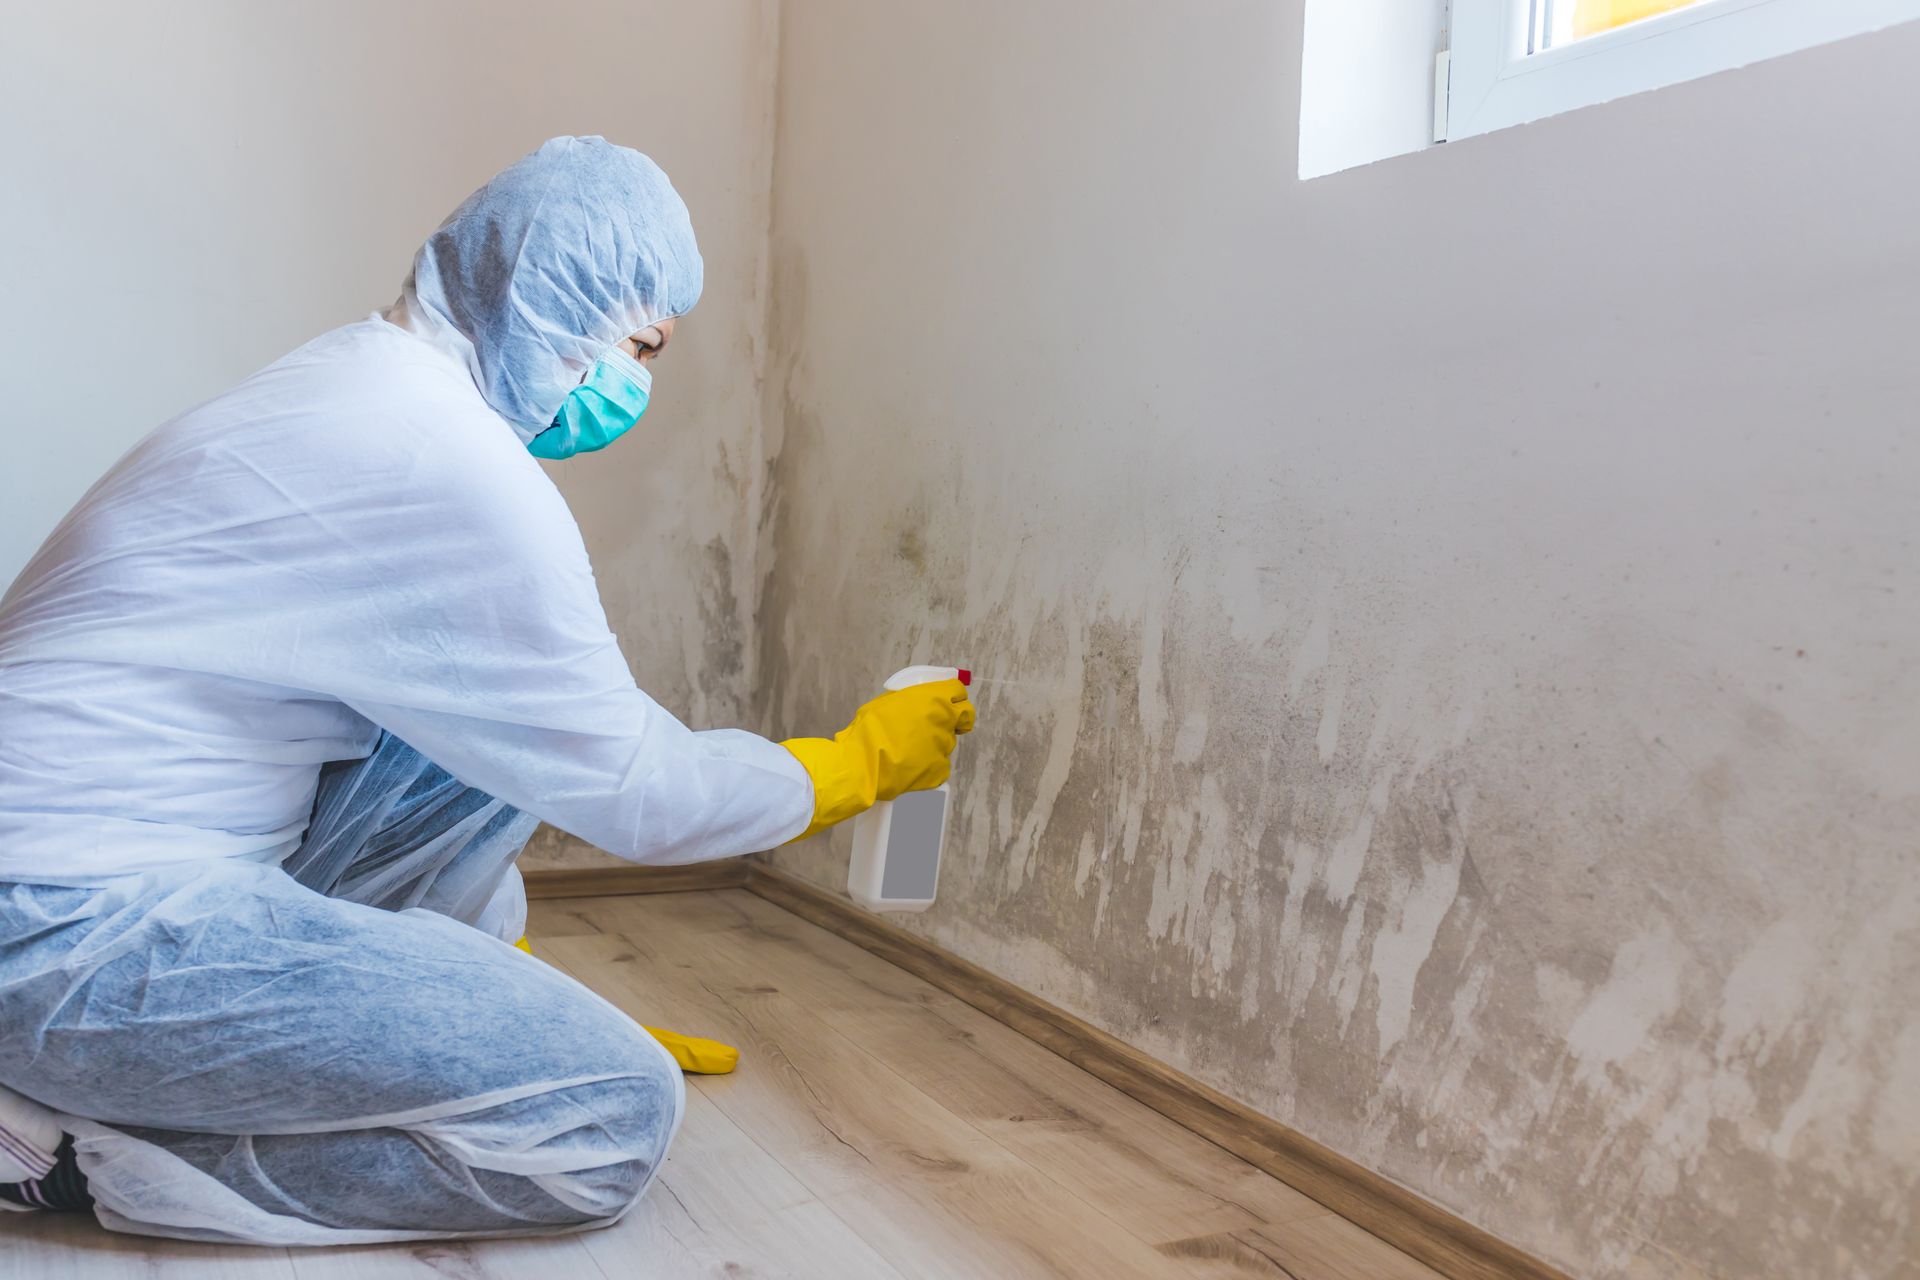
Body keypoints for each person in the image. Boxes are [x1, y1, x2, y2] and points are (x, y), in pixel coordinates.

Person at [0, 136, 973, 1245]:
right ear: (547, 301)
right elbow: (636, 789)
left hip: (73, 876)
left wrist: (493, 1002)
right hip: (64, 934)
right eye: (639, 345)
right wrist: (855, 765)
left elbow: (515, 755)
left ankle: (439, 1024)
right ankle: (65, 1146)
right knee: (608, 1113)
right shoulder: (447, 462)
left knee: (469, 736)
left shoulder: (356, 381)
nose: (637, 384)